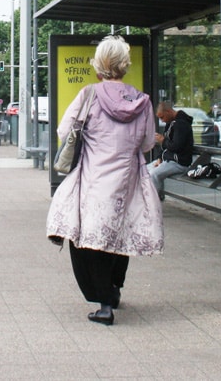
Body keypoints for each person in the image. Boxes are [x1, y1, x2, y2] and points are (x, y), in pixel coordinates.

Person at [46, 35, 163, 327]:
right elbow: (148, 143)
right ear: (125, 65)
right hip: (129, 179)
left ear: (98, 65)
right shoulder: (142, 100)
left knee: (87, 240)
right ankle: (114, 290)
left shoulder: (89, 95)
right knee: (120, 234)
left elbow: (65, 130)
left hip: (94, 179)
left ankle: (103, 305)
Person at [147, 102, 195, 201]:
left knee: (154, 174)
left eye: (162, 117)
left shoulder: (181, 124)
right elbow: (166, 146)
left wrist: (163, 140)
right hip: (168, 160)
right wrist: (160, 158)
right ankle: (154, 197)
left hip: (179, 162)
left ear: (168, 111)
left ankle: (153, 202)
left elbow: (176, 146)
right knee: (145, 170)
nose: (162, 120)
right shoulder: (171, 123)